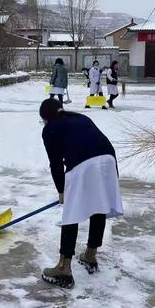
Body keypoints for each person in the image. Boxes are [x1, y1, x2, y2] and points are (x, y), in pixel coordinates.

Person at [39, 98, 123, 288]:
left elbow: (56, 164)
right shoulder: (79, 118)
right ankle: (90, 255)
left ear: (46, 118)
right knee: (98, 205)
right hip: (108, 161)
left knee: (72, 213)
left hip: (85, 165)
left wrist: (62, 191)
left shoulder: (50, 128)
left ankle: (63, 268)